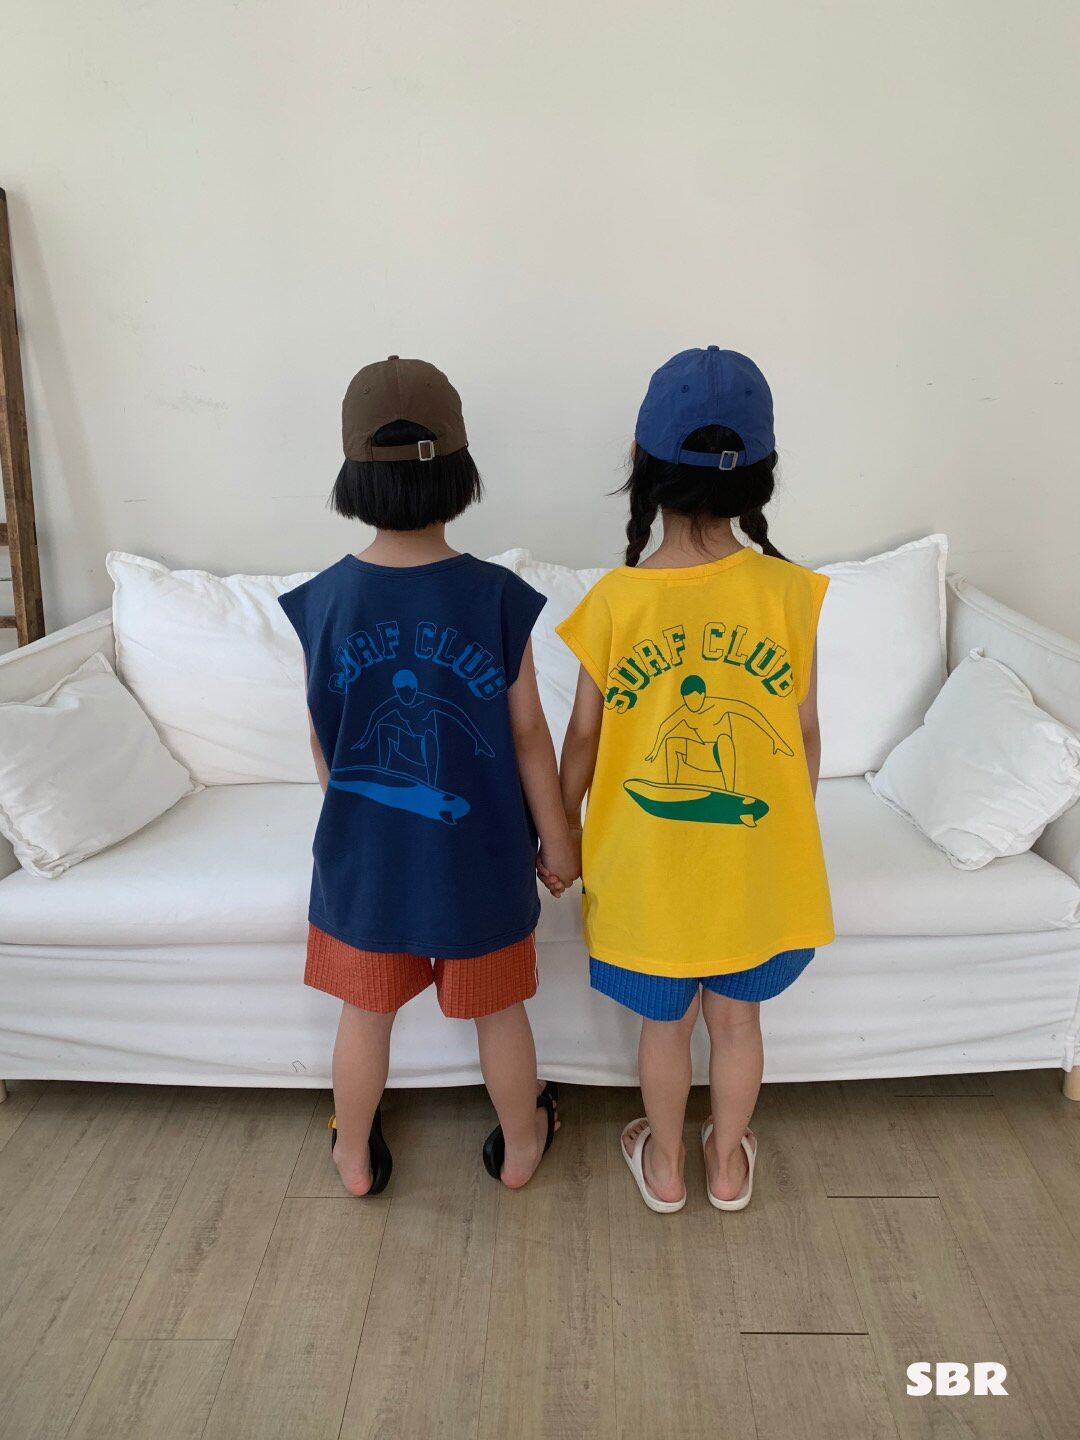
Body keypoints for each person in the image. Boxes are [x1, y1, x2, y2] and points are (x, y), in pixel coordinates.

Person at [279, 356, 578, 1196]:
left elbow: (325, 742)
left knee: (364, 1014)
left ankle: (352, 1155)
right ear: (458, 471)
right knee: (499, 1011)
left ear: (352, 477)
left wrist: (357, 819)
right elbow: (528, 734)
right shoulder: (494, 596)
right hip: (478, 861)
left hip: (366, 863)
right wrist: (558, 841)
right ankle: (522, 1145)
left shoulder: (325, 602)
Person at [557, 347, 834, 1213]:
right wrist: (784, 828)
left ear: (641, 463)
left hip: (648, 878)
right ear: (762, 474)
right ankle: (727, 1167)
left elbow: (582, 738)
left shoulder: (616, 600)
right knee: (739, 1024)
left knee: (664, 1028)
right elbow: (804, 734)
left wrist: (560, 833)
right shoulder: (789, 595)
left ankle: (668, 1169)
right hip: (755, 870)